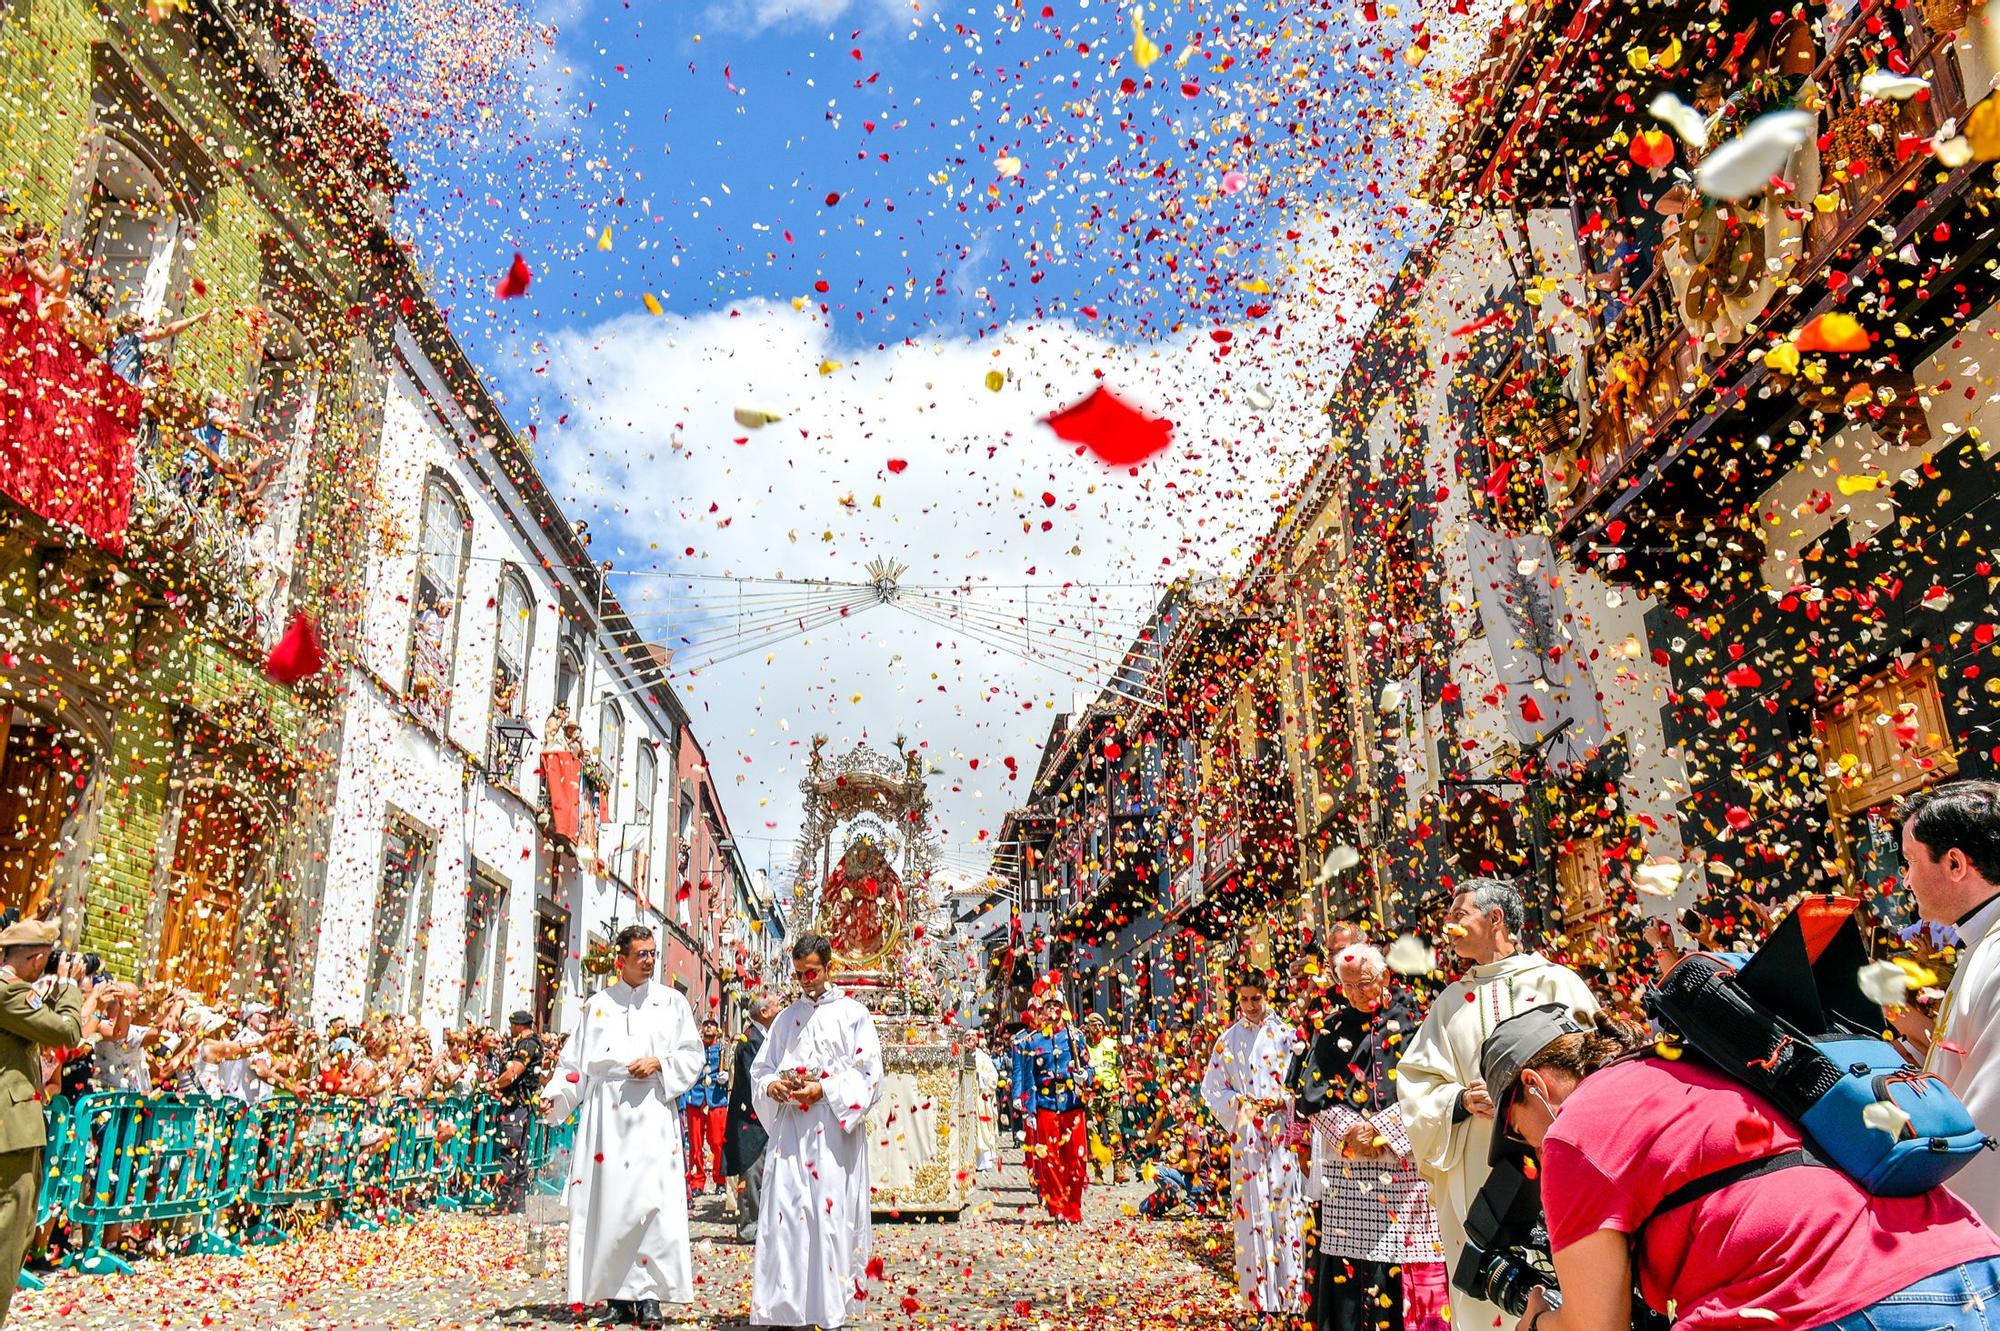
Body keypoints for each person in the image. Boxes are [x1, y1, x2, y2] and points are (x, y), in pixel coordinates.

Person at [1482, 1003, 2000, 1331]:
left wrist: (1540, 1322)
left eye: (1512, 1129)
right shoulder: (1688, 1062)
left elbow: (1596, 1327)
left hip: (1831, 1305)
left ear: (1533, 1086)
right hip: (1965, 1259)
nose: (1524, 1143)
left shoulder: (1573, 1133)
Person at [1395, 877, 1594, 1331]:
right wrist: (1461, 1101)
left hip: (1554, 1161)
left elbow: (1594, 1064)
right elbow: (1416, 1083)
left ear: (1495, 918)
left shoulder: (1556, 982)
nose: (1447, 925)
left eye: (1458, 915)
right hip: (1476, 1168)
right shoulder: (1448, 1004)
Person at [540, 925, 705, 1330]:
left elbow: (692, 1054)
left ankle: (649, 1296)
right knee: (610, 1206)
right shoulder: (597, 1005)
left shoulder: (672, 1003)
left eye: (653, 953)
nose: (650, 961)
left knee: (651, 1205)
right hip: (607, 1118)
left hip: (651, 1110)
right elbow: (574, 1064)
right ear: (621, 959)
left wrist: (661, 1064)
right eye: (642, 954)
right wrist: (557, 1095)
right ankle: (616, 1294)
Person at [1296, 944, 1442, 1331]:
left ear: (1384, 977)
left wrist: (1385, 1130)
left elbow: (1434, 1089)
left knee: (1401, 1277)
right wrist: (1350, 1131)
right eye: (1348, 987)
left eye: (1364, 984)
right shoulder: (1332, 1028)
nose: (1358, 994)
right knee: (1351, 1282)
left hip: (1404, 1172)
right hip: (1350, 1175)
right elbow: (1313, 1096)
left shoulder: (1416, 1020)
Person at [749, 934, 884, 1331]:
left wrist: (823, 1089)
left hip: (832, 1134)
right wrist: (772, 1086)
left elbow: (870, 1076)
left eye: (812, 972)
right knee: (787, 1216)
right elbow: (762, 1068)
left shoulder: (854, 1015)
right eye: (799, 974)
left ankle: (829, 1309)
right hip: (791, 1133)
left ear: (828, 968)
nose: (806, 981)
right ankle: (785, 1306)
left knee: (829, 1219)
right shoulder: (785, 1019)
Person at [1901, 780, 2000, 1229]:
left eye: (1910, 862)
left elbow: (1987, 1123)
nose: (1906, 879)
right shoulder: (1981, 943)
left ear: (1956, 863)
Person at [1200, 967, 1308, 1323]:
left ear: (1267, 996)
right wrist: (1240, 1105)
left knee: (1285, 1210)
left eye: (1255, 999)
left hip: (1280, 1137)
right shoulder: (1227, 1040)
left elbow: (1304, 1083)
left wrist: (1282, 1102)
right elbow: (1212, 1088)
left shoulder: (1286, 1036)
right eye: (1244, 999)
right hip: (1247, 1138)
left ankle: (1292, 1296)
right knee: (1252, 1211)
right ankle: (1259, 1299)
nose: (1249, 1005)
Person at [0, 919, 93, 1323]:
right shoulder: (8, 993)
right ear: (36, 958)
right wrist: (70, 986)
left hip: (14, 1128)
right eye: (44, 959)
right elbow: (67, 1031)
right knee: (9, 1233)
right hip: (11, 1132)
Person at [1011, 990, 1091, 1224]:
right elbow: (1028, 1079)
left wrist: (1084, 1075)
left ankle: (1073, 1208)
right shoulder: (1032, 1041)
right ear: (1043, 1010)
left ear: (1064, 1008)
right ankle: (1056, 1206)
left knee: (1077, 1159)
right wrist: (1030, 1109)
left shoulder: (1076, 1038)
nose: (1054, 1009)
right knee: (1050, 1160)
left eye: (1058, 1004)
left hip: (1072, 1103)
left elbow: (1090, 1067)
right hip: (1046, 1106)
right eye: (1049, 1005)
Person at [722, 991, 779, 1243]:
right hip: (752, 1120)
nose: (781, 1008)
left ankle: (762, 1225)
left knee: (763, 1174)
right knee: (752, 1175)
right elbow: (752, 1082)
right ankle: (748, 1228)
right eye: (778, 1005)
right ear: (764, 1012)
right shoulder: (751, 1040)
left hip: (763, 1118)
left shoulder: (764, 1037)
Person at [490, 1011, 543, 1214]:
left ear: (519, 1025)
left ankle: (501, 1202)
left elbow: (514, 1072)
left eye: (512, 1025)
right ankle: (516, 1203)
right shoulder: (533, 1043)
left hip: (516, 1106)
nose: (511, 1029)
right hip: (523, 1105)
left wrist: (494, 1083)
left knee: (510, 1154)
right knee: (520, 1155)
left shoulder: (527, 1045)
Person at [683, 1016, 730, 1198]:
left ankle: (720, 1179)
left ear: (717, 1030)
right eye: (706, 1025)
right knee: (695, 1144)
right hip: (696, 1097)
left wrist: (726, 1075)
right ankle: (697, 1181)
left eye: (712, 1025)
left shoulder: (723, 1049)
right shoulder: (695, 1048)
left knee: (718, 1143)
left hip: (716, 1098)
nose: (709, 1028)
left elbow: (731, 1069)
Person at [1080, 1012, 1126, 1183]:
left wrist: (1125, 1090)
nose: (1097, 1027)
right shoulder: (1084, 1046)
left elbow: (1120, 1069)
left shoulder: (1113, 1044)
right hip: (1092, 1094)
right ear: (1089, 1027)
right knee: (1094, 1133)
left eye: (1100, 1024)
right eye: (1094, 1025)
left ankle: (1119, 1171)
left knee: (1115, 1132)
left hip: (1111, 1093)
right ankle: (1098, 1171)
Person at [971, 1030, 1001, 1173]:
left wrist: (980, 1076)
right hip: (966, 1100)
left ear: (977, 1040)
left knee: (981, 1127)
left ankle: (982, 1161)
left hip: (980, 1098)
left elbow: (994, 1076)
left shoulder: (983, 1057)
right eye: (967, 1037)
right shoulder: (959, 1055)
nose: (969, 1039)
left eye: (972, 1037)